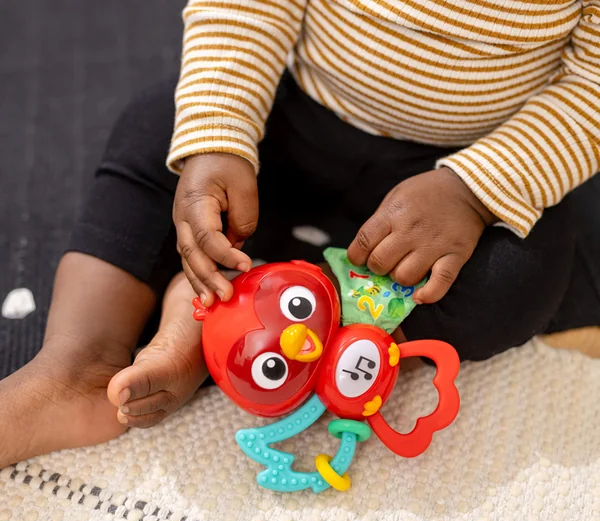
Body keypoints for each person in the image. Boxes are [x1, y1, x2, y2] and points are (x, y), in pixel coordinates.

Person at [1, 0, 599, 468]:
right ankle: (79, 363)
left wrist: (474, 190)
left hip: (461, 171)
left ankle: (246, 338)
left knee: (522, 268)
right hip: (294, 116)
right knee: (161, 129)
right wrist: (220, 135)